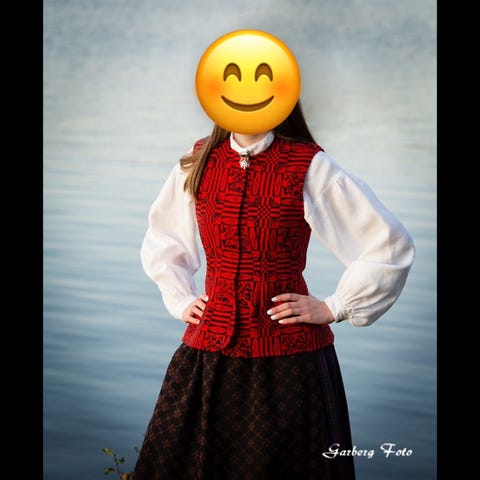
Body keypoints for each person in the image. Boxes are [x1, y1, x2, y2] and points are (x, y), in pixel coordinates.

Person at [132, 101, 415, 480]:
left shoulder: (309, 165)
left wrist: (335, 306)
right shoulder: (199, 159)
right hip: (207, 356)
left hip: (290, 366)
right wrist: (179, 297)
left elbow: (389, 245)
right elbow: (164, 238)